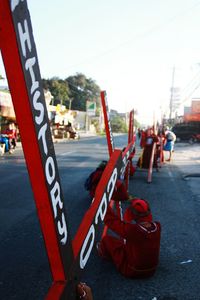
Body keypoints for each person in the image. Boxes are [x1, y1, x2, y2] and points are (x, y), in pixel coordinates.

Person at [97, 198, 161, 278]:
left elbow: (112, 221)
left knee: (107, 240)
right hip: (152, 270)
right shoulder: (158, 226)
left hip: (132, 270)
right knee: (130, 245)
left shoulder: (132, 230)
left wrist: (103, 205)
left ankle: (103, 253)